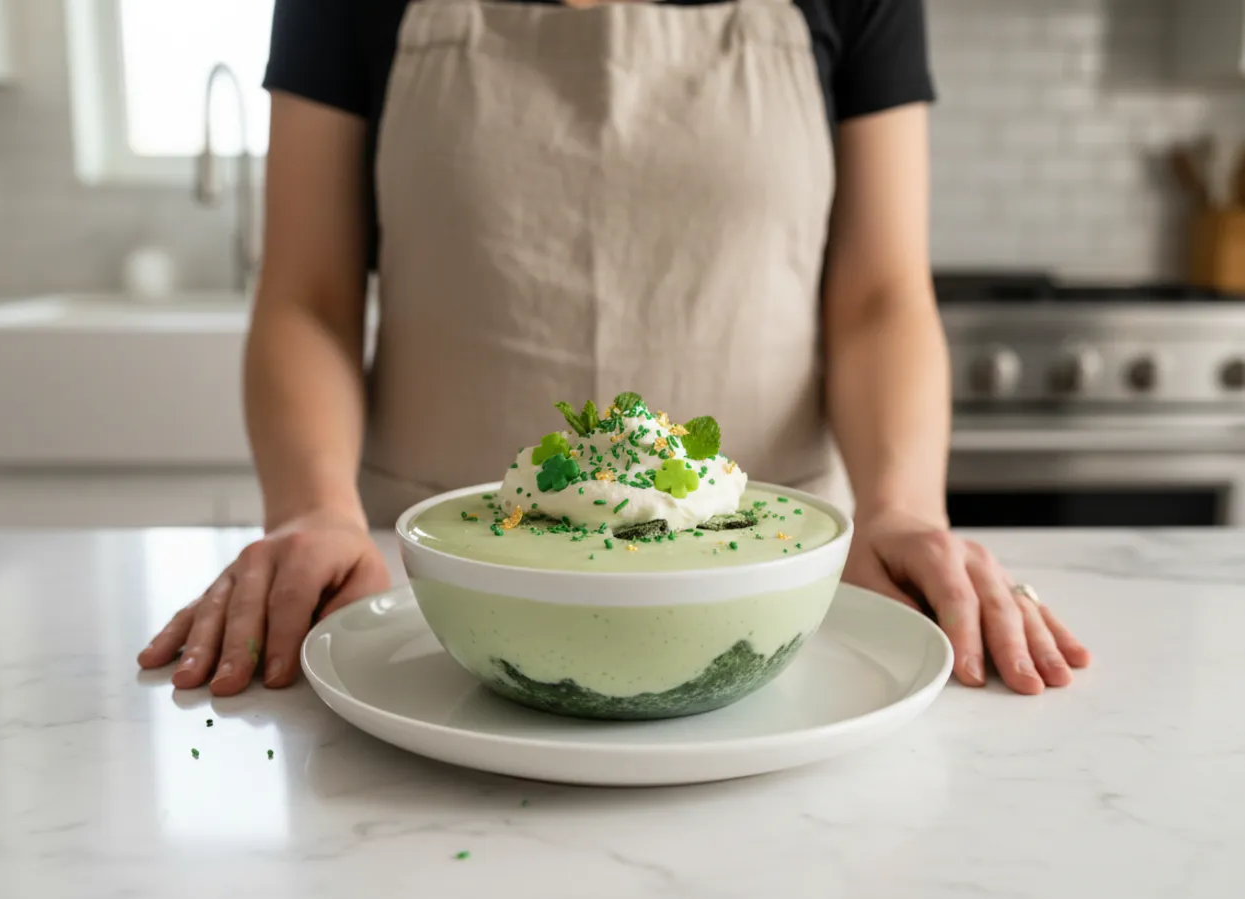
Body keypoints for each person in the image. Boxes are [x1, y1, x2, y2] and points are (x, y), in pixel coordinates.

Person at [138, 0, 1090, 698]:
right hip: (427, 608)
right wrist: (312, 509)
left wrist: (902, 507)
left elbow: (880, 295)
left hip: (775, 590)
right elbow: (308, 294)